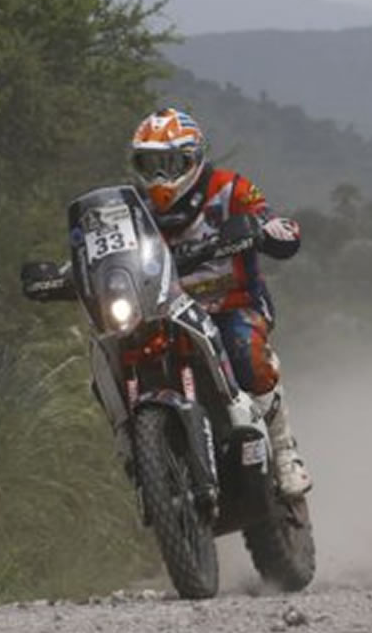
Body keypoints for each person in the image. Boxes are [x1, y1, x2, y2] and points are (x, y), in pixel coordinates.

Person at [129, 106, 311, 496]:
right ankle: (145, 463)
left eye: (171, 163)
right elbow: (110, 248)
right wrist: (70, 266)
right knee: (124, 356)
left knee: (245, 351)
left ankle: (284, 451)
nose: (160, 176)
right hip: (166, 313)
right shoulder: (135, 209)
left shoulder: (230, 188)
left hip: (234, 304)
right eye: (150, 164)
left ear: (192, 158)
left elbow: (278, 226)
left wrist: (261, 229)